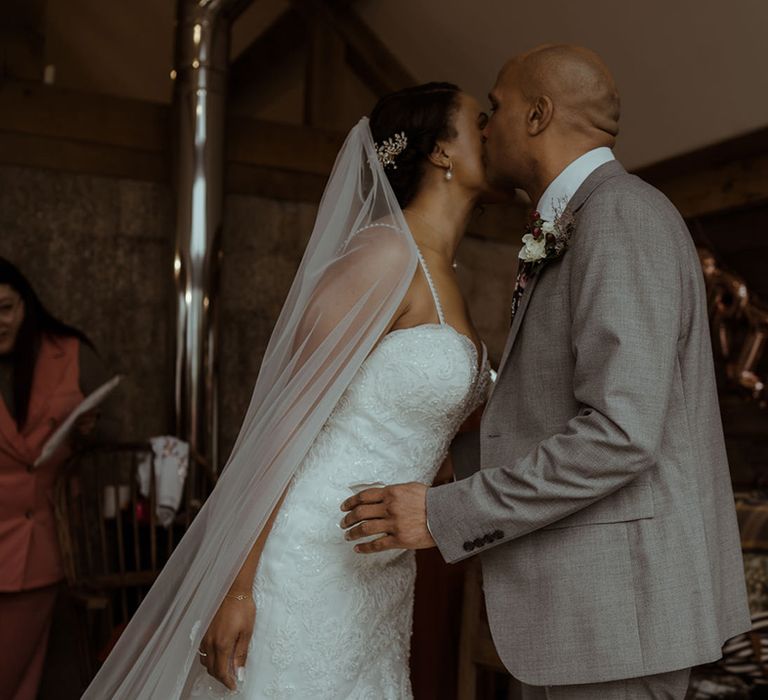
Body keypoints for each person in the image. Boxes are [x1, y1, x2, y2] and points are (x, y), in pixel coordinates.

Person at [342, 45, 752, 699]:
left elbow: (622, 433)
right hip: (597, 619)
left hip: (619, 619)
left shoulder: (618, 216)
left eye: (495, 108)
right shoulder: (585, 219)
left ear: (537, 117)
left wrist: (446, 513)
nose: (485, 125)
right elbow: (561, 411)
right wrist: (451, 463)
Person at [82, 82, 493, 698]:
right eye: (479, 122)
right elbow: (284, 424)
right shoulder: (383, 255)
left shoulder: (448, 273)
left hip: (379, 571)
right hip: (307, 557)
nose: (492, 132)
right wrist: (238, 585)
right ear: (440, 152)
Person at [0, 257, 113, 700]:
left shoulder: (69, 352)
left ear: (26, 306)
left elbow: (106, 430)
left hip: (40, 546)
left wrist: (88, 431)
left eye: (5, 308)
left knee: (23, 676)